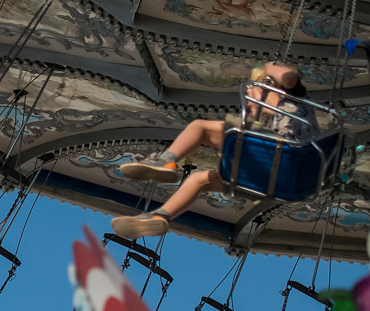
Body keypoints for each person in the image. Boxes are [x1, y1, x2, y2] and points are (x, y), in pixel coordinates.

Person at [111, 62, 308, 238]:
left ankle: (165, 161)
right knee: (198, 180)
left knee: (200, 128)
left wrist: (268, 68)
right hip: (272, 181)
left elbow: (289, 79)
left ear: (270, 85)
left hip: (279, 157)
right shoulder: (272, 117)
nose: (248, 100)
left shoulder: (288, 102)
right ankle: (160, 216)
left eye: (254, 92)